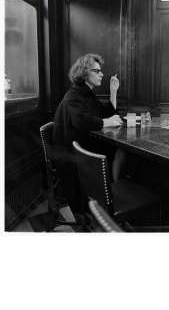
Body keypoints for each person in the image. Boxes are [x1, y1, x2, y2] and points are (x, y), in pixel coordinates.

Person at [53, 53, 127, 225]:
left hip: (82, 147)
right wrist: (105, 121)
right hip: (72, 155)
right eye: (97, 71)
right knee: (119, 151)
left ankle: (112, 193)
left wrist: (113, 93)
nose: (102, 74)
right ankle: (112, 196)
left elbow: (103, 114)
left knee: (119, 151)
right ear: (85, 73)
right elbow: (81, 121)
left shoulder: (87, 94)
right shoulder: (74, 95)